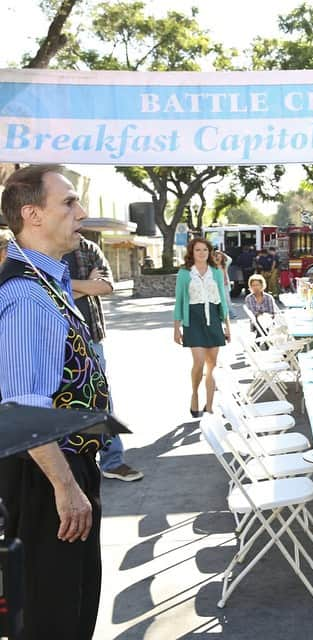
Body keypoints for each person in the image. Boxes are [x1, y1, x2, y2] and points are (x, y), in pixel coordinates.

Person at [0, 164, 110, 639]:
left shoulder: (47, 283)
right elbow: (23, 407)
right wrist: (66, 489)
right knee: (54, 617)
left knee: (73, 606)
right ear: (33, 215)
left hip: (62, 469)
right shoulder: (27, 296)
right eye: (68, 202)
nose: (81, 213)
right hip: (46, 478)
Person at [63, 236, 144, 482]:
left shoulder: (88, 248)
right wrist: (86, 284)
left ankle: (112, 461)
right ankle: (71, 466)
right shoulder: (40, 247)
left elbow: (107, 286)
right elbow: (46, 291)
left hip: (91, 338)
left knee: (100, 398)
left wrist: (67, 285)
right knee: (64, 403)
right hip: (57, 338)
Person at [174, 238, 230, 417]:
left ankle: (210, 405)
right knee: (198, 362)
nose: (202, 253)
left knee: (212, 366)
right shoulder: (184, 273)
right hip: (193, 320)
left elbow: (222, 299)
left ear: (209, 252)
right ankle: (195, 394)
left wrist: (227, 326)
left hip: (213, 319)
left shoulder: (216, 272)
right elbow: (179, 301)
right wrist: (176, 328)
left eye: (205, 250)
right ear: (192, 252)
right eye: (198, 250)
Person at [213, 248, 237, 319]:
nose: (218, 257)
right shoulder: (213, 265)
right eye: (216, 256)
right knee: (217, 300)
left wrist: (222, 253)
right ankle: (220, 314)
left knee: (227, 299)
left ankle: (232, 313)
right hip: (215, 285)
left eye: (220, 256)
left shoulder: (225, 265)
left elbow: (230, 259)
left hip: (224, 284)